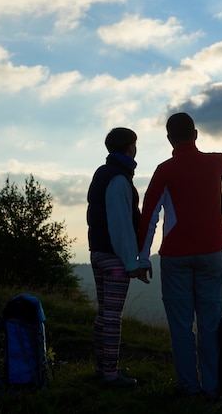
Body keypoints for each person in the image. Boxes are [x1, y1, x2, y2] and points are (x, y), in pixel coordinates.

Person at [137, 112, 222, 400]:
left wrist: (142, 259)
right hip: (211, 254)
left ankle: (188, 387)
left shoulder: (165, 170)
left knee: (181, 326)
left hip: (176, 257)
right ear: (195, 134)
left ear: (170, 139)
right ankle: (211, 387)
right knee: (209, 324)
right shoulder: (212, 163)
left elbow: (150, 215)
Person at [86, 127, 150, 387]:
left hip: (98, 252)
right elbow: (121, 223)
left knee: (103, 314)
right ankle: (110, 373)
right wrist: (131, 262)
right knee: (113, 317)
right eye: (135, 144)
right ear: (129, 147)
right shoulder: (120, 179)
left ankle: (103, 367)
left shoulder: (103, 173)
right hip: (114, 258)